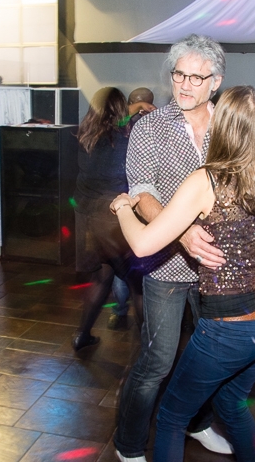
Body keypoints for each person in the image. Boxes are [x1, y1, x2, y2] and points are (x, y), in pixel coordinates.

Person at [113, 34, 255, 462]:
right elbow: (141, 191)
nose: (184, 84)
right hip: (166, 264)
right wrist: (182, 233)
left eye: (196, 77)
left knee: (209, 363)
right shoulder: (150, 127)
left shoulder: (231, 121)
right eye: (178, 74)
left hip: (219, 275)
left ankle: (197, 424)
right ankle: (128, 445)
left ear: (216, 81)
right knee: (157, 362)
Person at [72, 87, 144, 351]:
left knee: (102, 277)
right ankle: (150, 350)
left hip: (87, 217)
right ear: (119, 110)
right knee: (138, 285)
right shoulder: (125, 140)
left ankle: (82, 336)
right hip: (112, 219)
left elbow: (114, 121)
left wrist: (135, 109)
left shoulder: (85, 136)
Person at [109, 87, 156, 331]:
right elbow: (113, 121)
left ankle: (141, 322)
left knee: (135, 268)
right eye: (136, 105)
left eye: (144, 105)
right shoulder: (121, 126)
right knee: (123, 267)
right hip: (122, 203)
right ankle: (121, 311)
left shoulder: (153, 127)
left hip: (142, 204)